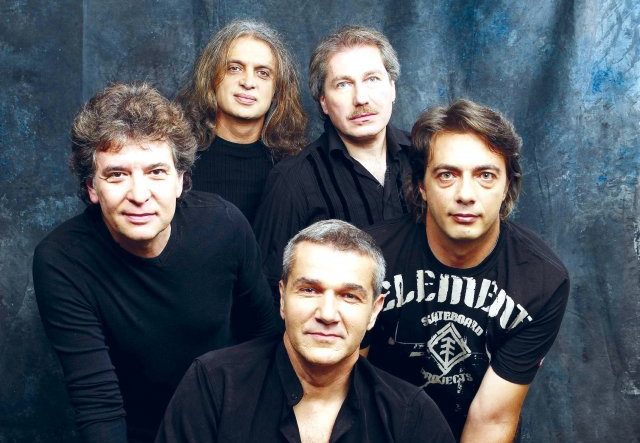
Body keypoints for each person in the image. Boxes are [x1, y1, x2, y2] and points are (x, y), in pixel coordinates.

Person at [33, 83, 279, 443]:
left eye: (156, 172)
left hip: (228, 421)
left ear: (180, 180)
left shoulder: (224, 226)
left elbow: (265, 339)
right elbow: (97, 402)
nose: (139, 195)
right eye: (117, 174)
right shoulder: (62, 260)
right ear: (92, 188)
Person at [364, 99, 570, 442]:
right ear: (421, 185)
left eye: (485, 176)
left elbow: (492, 419)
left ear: (506, 186)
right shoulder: (368, 259)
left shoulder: (541, 280)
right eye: (447, 175)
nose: (466, 195)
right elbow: (342, 387)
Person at [156, 219, 454, 443]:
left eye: (349, 296)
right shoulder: (215, 384)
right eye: (309, 290)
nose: (327, 314)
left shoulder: (410, 416)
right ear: (282, 298)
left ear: (374, 311)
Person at [254, 25, 412, 293]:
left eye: (372, 79)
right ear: (324, 102)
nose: (361, 98)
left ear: (392, 88)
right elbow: (266, 289)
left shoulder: (426, 159)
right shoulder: (292, 180)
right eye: (343, 84)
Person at [178, 20, 307, 224]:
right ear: (211, 77)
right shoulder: (178, 158)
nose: (248, 83)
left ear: (277, 89)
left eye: (263, 73)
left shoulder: (294, 168)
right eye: (235, 68)